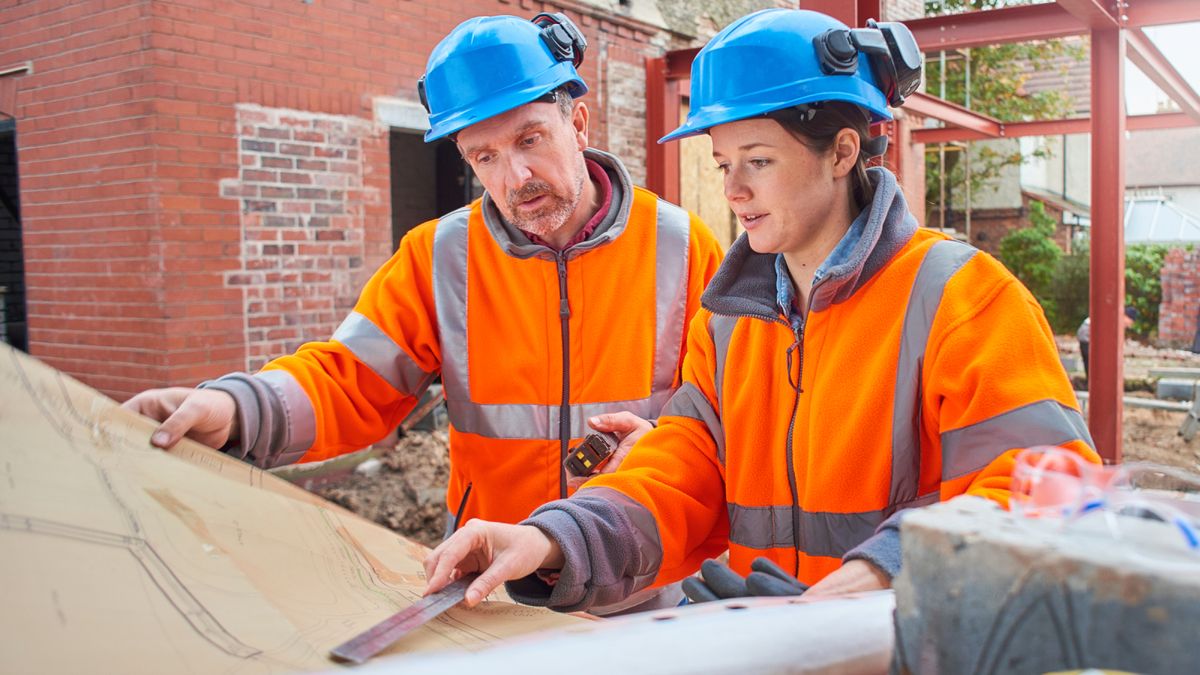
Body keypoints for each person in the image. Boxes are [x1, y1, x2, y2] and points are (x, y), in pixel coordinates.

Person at [422, 8, 1099, 610]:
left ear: (842, 151)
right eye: (722, 165)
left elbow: (1051, 485)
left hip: (908, 648)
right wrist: (550, 536)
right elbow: (681, 471)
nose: (735, 191)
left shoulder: (961, 297)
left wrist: (885, 569)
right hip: (778, 649)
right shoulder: (729, 323)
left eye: (758, 160)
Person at [123, 14, 723, 576]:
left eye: (530, 140)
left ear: (579, 123)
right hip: (492, 582)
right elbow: (348, 380)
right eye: (484, 157)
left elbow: (724, 422)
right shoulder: (440, 257)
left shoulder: (683, 246)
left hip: (641, 575)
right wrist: (236, 410)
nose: (515, 178)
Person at [1077, 306, 1138, 380]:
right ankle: (1093, 383)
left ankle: (1092, 382)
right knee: (1093, 362)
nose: (1129, 325)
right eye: (1131, 322)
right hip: (1087, 335)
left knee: (1092, 363)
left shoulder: (1116, 317)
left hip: (1088, 335)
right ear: (1126, 316)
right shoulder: (1115, 318)